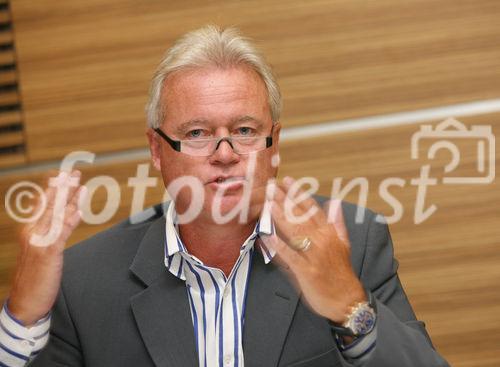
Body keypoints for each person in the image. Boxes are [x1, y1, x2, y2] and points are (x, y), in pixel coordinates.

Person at [0, 26, 449, 367]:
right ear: (157, 150)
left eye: (245, 131)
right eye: (197, 134)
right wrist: (22, 316)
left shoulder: (352, 238)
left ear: (274, 142)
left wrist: (351, 307)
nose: (226, 154)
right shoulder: (83, 282)